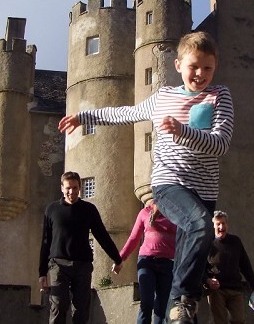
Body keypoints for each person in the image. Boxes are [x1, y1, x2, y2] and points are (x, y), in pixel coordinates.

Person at [58, 31, 234, 324]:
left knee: (191, 249)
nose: (201, 74)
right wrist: (85, 117)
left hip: (203, 191)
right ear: (178, 65)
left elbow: (221, 143)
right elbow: (127, 113)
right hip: (167, 185)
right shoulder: (164, 96)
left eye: (208, 68)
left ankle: (174, 314)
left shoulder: (219, 96)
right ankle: (185, 299)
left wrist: (183, 131)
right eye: (194, 67)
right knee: (202, 225)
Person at [38, 171, 123, 324]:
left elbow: (102, 236)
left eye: (75, 188)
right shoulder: (51, 210)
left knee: (82, 309)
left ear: (80, 187)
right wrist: (42, 273)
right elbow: (45, 242)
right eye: (68, 188)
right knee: (58, 305)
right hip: (58, 264)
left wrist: (117, 259)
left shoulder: (88, 209)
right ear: (62, 188)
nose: (72, 192)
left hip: (82, 265)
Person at [112, 200, 177, 324]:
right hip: (147, 261)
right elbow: (134, 237)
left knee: (162, 307)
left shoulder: (174, 213)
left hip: (167, 263)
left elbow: (182, 239)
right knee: (147, 302)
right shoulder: (145, 212)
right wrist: (120, 258)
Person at [204, 210, 254, 324]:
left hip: (235, 289)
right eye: (218, 224)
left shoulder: (235, 241)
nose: (221, 227)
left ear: (227, 225)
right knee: (219, 320)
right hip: (216, 290)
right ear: (213, 226)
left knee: (239, 320)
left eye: (224, 223)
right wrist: (208, 280)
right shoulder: (207, 243)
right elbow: (201, 266)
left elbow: (245, 265)